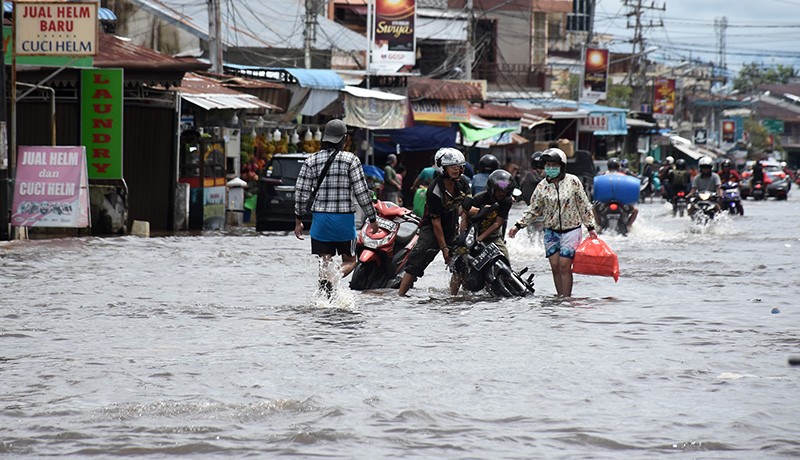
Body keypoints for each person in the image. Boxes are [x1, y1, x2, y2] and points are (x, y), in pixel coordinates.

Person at [294, 119, 379, 297]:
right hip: (344, 220)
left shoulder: (311, 160)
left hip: (320, 220)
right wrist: (372, 219)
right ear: (344, 138)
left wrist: (299, 220)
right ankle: (334, 277)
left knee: (324, 260)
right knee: (350, 260)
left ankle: (325, 300)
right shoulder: (351, 160)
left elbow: (301, 192)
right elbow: (361, 192)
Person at [508, 148, 597, 298]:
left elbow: (584, 205)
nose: (550, 168)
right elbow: (534, 209)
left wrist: (591, 227)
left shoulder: (573, 181)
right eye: (547, 165)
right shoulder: (542, 186)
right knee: (555, 266)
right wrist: (518, 226)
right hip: (551, 231)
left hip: (572, 230)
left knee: (564, 265)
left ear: (562, 166)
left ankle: (566, 299)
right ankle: (559, 297)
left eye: (554, 165)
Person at [399, 148, 471, 296]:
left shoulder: (463, 183)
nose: (456, 170)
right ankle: (400, 295)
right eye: (452, 166)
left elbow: (468, 206)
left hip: (451, 226)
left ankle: (453, 298)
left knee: (462, 263)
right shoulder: (434, 190)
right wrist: (444, 249)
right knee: (416, 262)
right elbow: (435, 221)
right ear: (442, 168)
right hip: (431, 229)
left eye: (458, 166)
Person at [464, 169, 515, 263]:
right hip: (473, 236)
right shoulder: (480, 198)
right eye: (499, 190)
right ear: (492, 188)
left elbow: (497, 223)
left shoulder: (507, 201)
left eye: (505, 191)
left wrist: (480, 239)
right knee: (462, 263)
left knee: (505, 259)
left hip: (493, 237)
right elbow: (465, 212)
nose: (502, 193)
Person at [597, 158, 639, 231]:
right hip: (621, 202)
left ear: (608, 166)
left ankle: (599, 226)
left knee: (594, 209)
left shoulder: (603, 175)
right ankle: (628, 226)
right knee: (635, 211)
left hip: (606, 201)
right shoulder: (624, 175)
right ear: (619, 166)